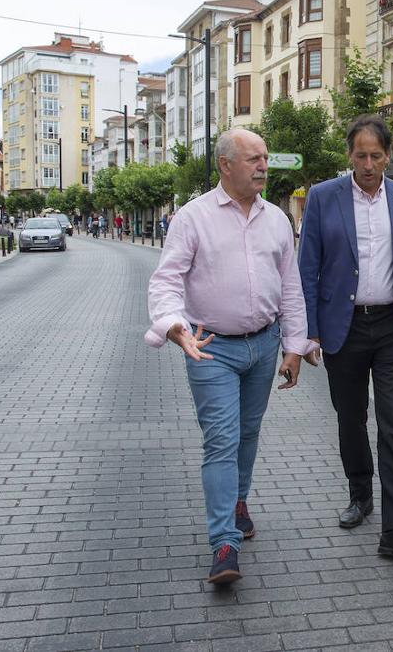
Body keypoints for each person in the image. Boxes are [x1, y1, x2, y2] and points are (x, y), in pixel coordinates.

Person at [146, 128, 315, 585]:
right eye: (253, 158)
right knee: (221, 440)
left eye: (265, 158)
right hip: (210, 348)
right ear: (225, 165)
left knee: (248, 432)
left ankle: (239, 500)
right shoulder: (192, 218)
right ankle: (224, 542)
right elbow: (166, 280)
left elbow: (291, 288)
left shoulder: (278, 219)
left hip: (263, 346)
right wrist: (173, 325)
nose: (263, 166)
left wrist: (295, 346)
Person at [298, 113, 393, 559]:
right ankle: (360, 493)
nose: (369, 163)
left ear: (389, 156)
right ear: (349, 155)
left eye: (376, 155)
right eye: (361, 155)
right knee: (350, 418)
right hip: (346, 327)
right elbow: (308, 270)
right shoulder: (323, 198)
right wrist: (310, 333)